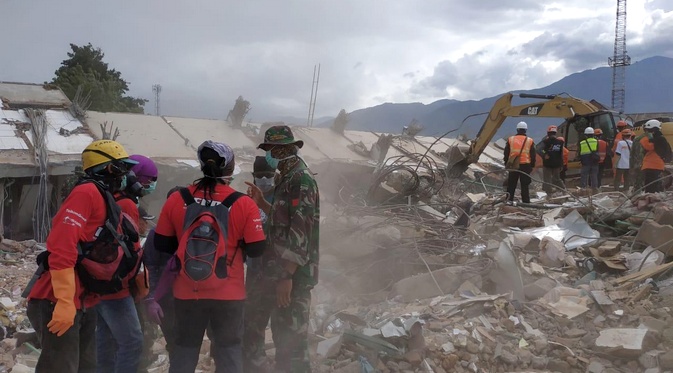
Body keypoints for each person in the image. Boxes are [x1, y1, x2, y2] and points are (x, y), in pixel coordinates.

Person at [26, 140, 138, 373]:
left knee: (86, 367)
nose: (127, 173)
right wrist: (65, 301)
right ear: (109, 168)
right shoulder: (86, 192)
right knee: (60, 367)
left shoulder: (105, 197)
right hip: (57, 300)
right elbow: (61, 248)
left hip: (86, 299)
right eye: (122, 167)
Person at [154, 141, 266, 373]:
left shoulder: (178, 199)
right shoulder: (244, 204)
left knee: (184, 349)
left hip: (187, 291)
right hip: (228, 293)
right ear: (231, 168)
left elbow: (162, 244)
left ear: (202, 165)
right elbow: (256, 250)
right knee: (228, 351)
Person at [245, 125, 320, 373]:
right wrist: (262, 203)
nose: (269, 155)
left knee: (292, 343)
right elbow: (281, 221)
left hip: (292, 278)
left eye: (271, 150)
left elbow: (302, 232)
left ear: (284, 149)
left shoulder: (301, 179)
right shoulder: (285, 179)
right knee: (280, 336)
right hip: (277, 272)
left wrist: (287, 276)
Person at [95, 154, 157, 373]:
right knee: (132, 342)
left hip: (99, 281)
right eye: (148, 180)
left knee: (105, 338)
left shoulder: (107, 197)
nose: (150, 186)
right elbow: (129, 248)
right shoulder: (127, 204)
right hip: (118, 285)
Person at [243, 156, 277, 372]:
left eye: (268, 176)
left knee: (280, 322)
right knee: (253, 320)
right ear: (253, 177)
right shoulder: (248, 200)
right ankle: (254, 363)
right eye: (260, 176)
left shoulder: (280, 198)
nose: (264, 180)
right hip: (255, 270)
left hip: (277, 270)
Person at [504, 121, 536, 203]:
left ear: (517, 129)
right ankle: (526, 202)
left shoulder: (511, 139)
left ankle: (508, 200)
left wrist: (507, 163)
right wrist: (532, 165)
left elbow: (506, 153)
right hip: (525, 165)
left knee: (511, 184)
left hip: (514, 165)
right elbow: (533, 154)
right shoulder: (530, 140)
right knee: (525, 185)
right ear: (526, 130)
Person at [640, 119, 671, 193]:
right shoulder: (660, 138)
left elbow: (648, 147)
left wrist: (644, 139)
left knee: (651, 188)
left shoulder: (658, 139)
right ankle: (655, 198)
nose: (647, 132)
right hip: (655, 165)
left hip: (652, 165)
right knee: (655, 185)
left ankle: (651, 200)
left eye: (648, 130)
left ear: (653, 129)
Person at [539, 125, 565, 196]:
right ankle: (564, 190)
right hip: (556, 163)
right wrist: (561, 164)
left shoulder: (545, 142)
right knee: (557, 179)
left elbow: (539, 149)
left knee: (547, 180)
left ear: (548, 133)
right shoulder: (560, 142)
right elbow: (561, 154)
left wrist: (544, 154)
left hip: (548, 164)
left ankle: (549, 194)